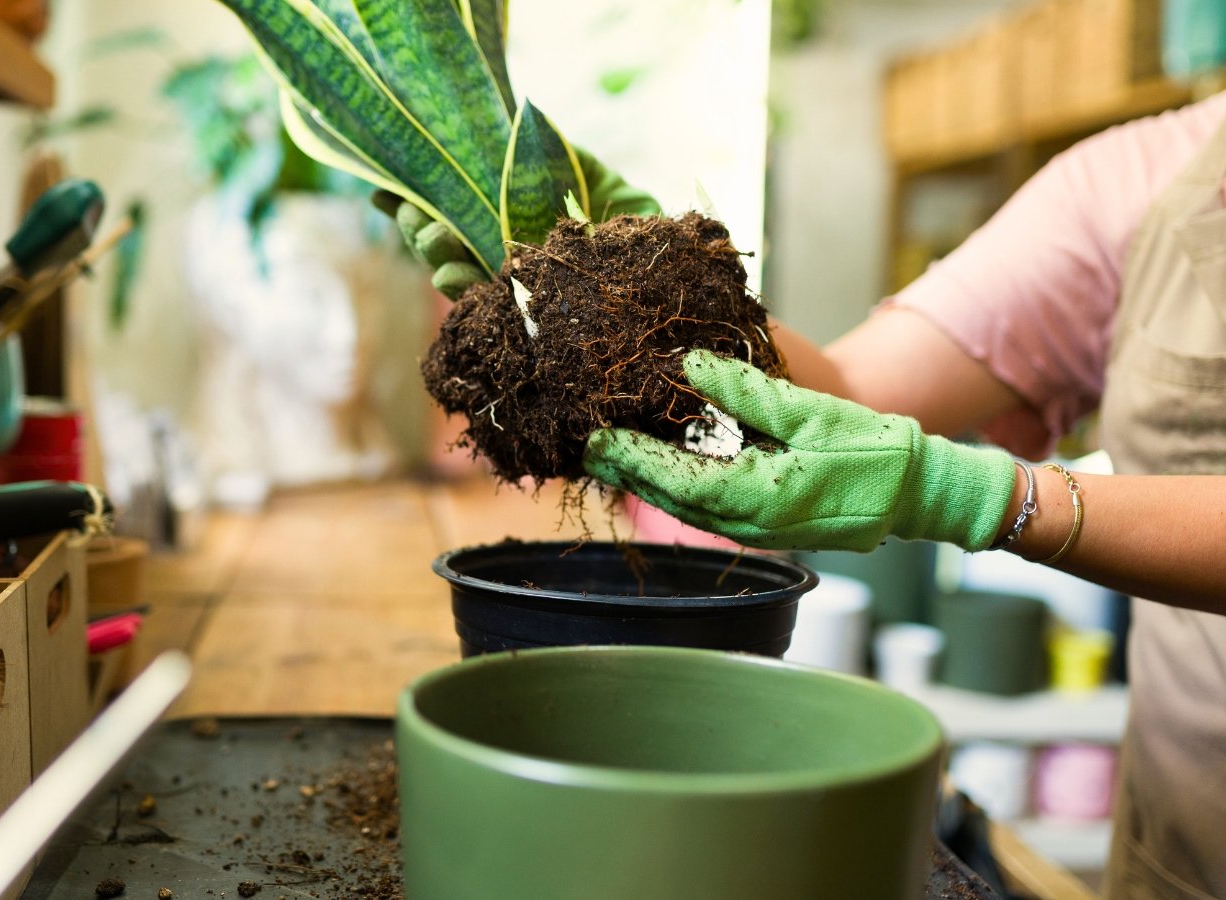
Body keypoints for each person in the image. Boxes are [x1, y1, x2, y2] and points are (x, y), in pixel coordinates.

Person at [387, 88, 1226, 899]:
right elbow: (858, 386)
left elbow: (933, 464)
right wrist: (638, 288)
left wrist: (984, 497)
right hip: (1184, 837)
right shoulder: (1142, 177)